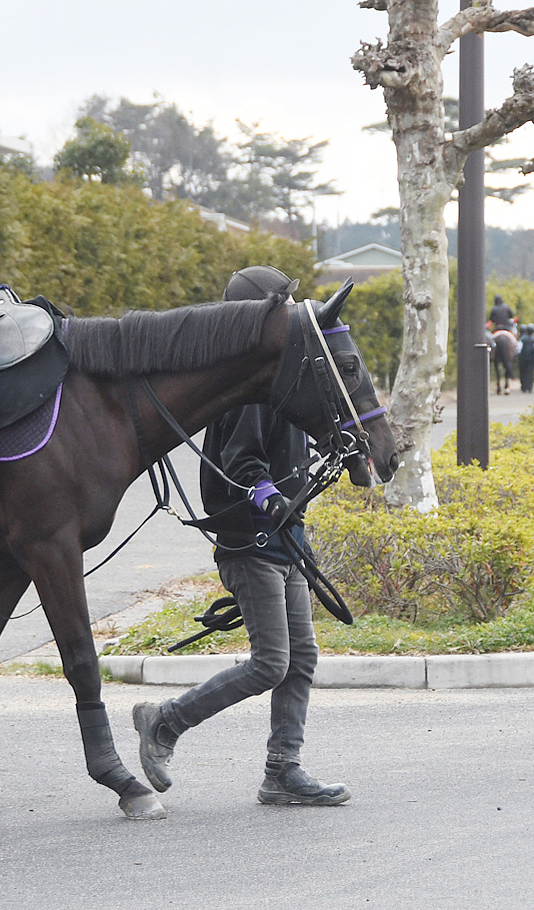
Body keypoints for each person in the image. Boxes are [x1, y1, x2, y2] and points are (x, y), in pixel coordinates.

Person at [133, 265, 350, 808]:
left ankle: (282, 771)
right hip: (252, 545)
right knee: (271, 661)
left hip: (287, 544)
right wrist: (269, 494)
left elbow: (288, 450)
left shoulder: (280, 380)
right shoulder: (252, 392)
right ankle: (165, 721)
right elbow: (243, 463)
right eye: (283, 307)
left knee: (301, 659)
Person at [519, 324, 534, 394]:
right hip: (531, 358)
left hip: (523, 358)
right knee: (530, 372)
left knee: (523, 372)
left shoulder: (522, 338)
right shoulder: (533, 339)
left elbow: (519, 349)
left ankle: (524, 387)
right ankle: (529, 387)